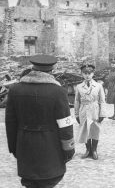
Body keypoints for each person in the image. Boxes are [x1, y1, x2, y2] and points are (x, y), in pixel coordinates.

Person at [5, 54, 75, 188]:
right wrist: (69, 149)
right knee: (48, 182)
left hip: (25, 147)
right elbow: (65, 124)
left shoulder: (15, 90)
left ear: (33, 68)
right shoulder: (58, 91)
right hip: (51, 149)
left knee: (30, 183)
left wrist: (14, 148)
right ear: (51, 70)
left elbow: (10, 123)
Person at [74, 63, 106, 160]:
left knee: (95, 130)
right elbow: (76, 101)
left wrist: (102, 113)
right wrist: (76, 114)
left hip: (94, 110)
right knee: (85, 131)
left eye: (89, 73)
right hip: (83, 110)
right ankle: (88, 150)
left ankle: (94, 150)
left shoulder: (98, 86)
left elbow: (102, 100)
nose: (87, 75)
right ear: (82, 74)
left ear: (93, 74)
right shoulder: (79, 87)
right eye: (85, 73)